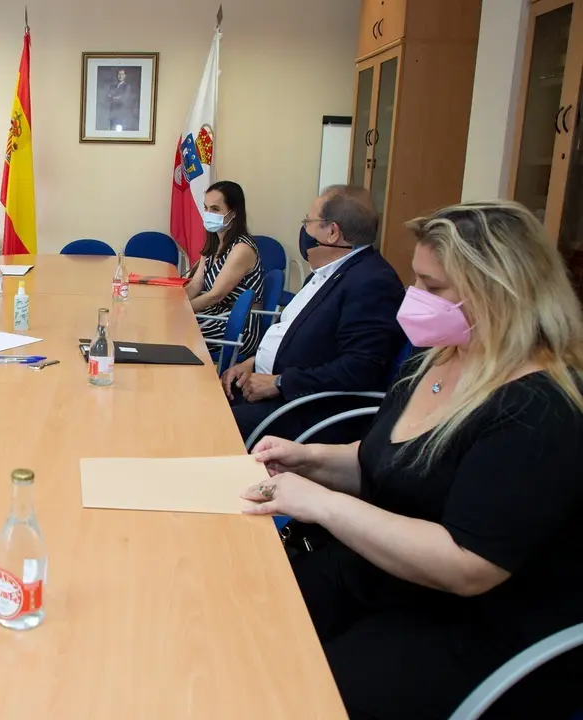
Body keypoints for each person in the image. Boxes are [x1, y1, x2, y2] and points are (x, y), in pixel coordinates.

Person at [242, 201, 583, 719]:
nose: (413, 295)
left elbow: (467, 566)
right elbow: (384, 460)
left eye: (432, 286)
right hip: (383, 574)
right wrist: (308, 459)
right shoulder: (438, 359)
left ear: (499, 291)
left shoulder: (540, 408)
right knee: (243, 618)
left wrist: (323, 504)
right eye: (416, 278)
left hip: (468, 623)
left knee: (286, 693)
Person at [222, 185, 405, 442]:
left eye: (308, 222)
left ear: (332, 232)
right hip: (271, 388)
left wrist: (279, 383)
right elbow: (293, 334)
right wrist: (251, 362)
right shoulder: (326, 272)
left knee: (212, 426)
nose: (304, 229)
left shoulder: (372, 281)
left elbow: (360, 368)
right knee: (202, 401)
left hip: (308, 410)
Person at [186, 180, 264, 355]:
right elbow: (195, 285)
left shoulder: (242, 248)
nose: (208, 214)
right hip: (215, 314)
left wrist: (180, 311)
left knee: (174, 333)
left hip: (237, 326)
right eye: (206, 208)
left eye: (215, 209)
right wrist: (172, 305)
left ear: (233, 212)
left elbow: (216, 295)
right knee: (164, 325)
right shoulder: (213, 242)